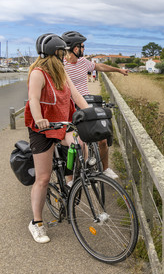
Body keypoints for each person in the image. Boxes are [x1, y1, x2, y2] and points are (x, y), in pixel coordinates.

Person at [25, 33, 89, 243]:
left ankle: (71, 182)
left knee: (81, 144)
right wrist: (39, 119)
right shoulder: (38, 73)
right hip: (42, 128)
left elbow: (75, 95)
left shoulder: (61, 72)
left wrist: (89, 113)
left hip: (62, 124)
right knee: (42, 178)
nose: (64, 55)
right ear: (56, 52)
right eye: (62, 52)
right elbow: (33, 99)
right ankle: (37, 223)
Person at [61, 31, 128, 180]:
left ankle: (105, 169)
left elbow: (100, 67)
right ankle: (72, 178)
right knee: (76, 143)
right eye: (82, 46)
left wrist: (118, 70)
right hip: (70, 107)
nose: (84, 49)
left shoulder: (83, 62)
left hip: (86, 103)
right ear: (74, 48)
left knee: (102, 138)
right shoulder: (61, 64)